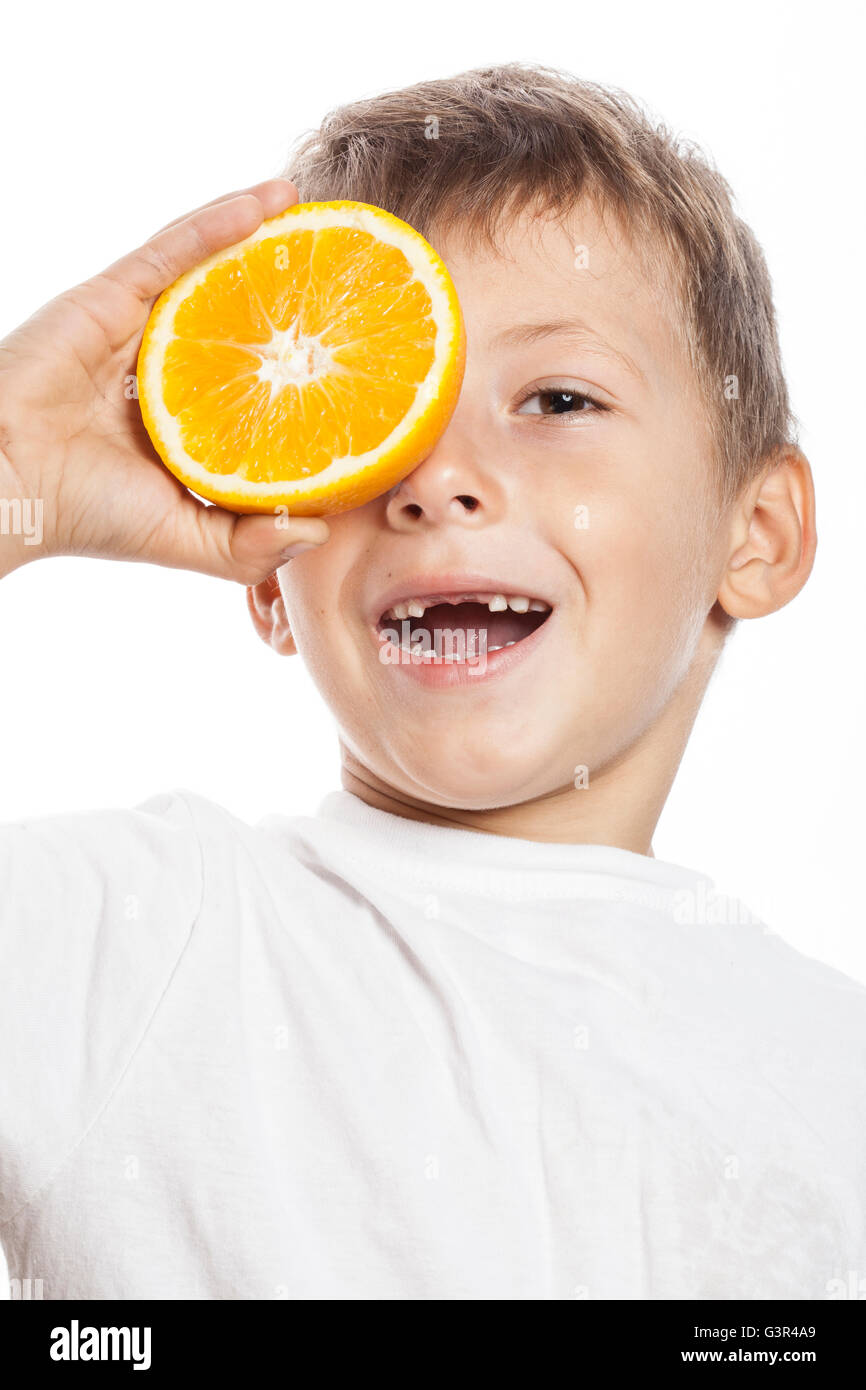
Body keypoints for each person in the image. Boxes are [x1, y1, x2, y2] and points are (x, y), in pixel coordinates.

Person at [1, 62, 862, 1301]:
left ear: (759, 533)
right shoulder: (136, 941)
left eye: (555, 398)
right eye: (377, 428)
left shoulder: (836, 1073)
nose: (436, 480)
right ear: (267, 573)